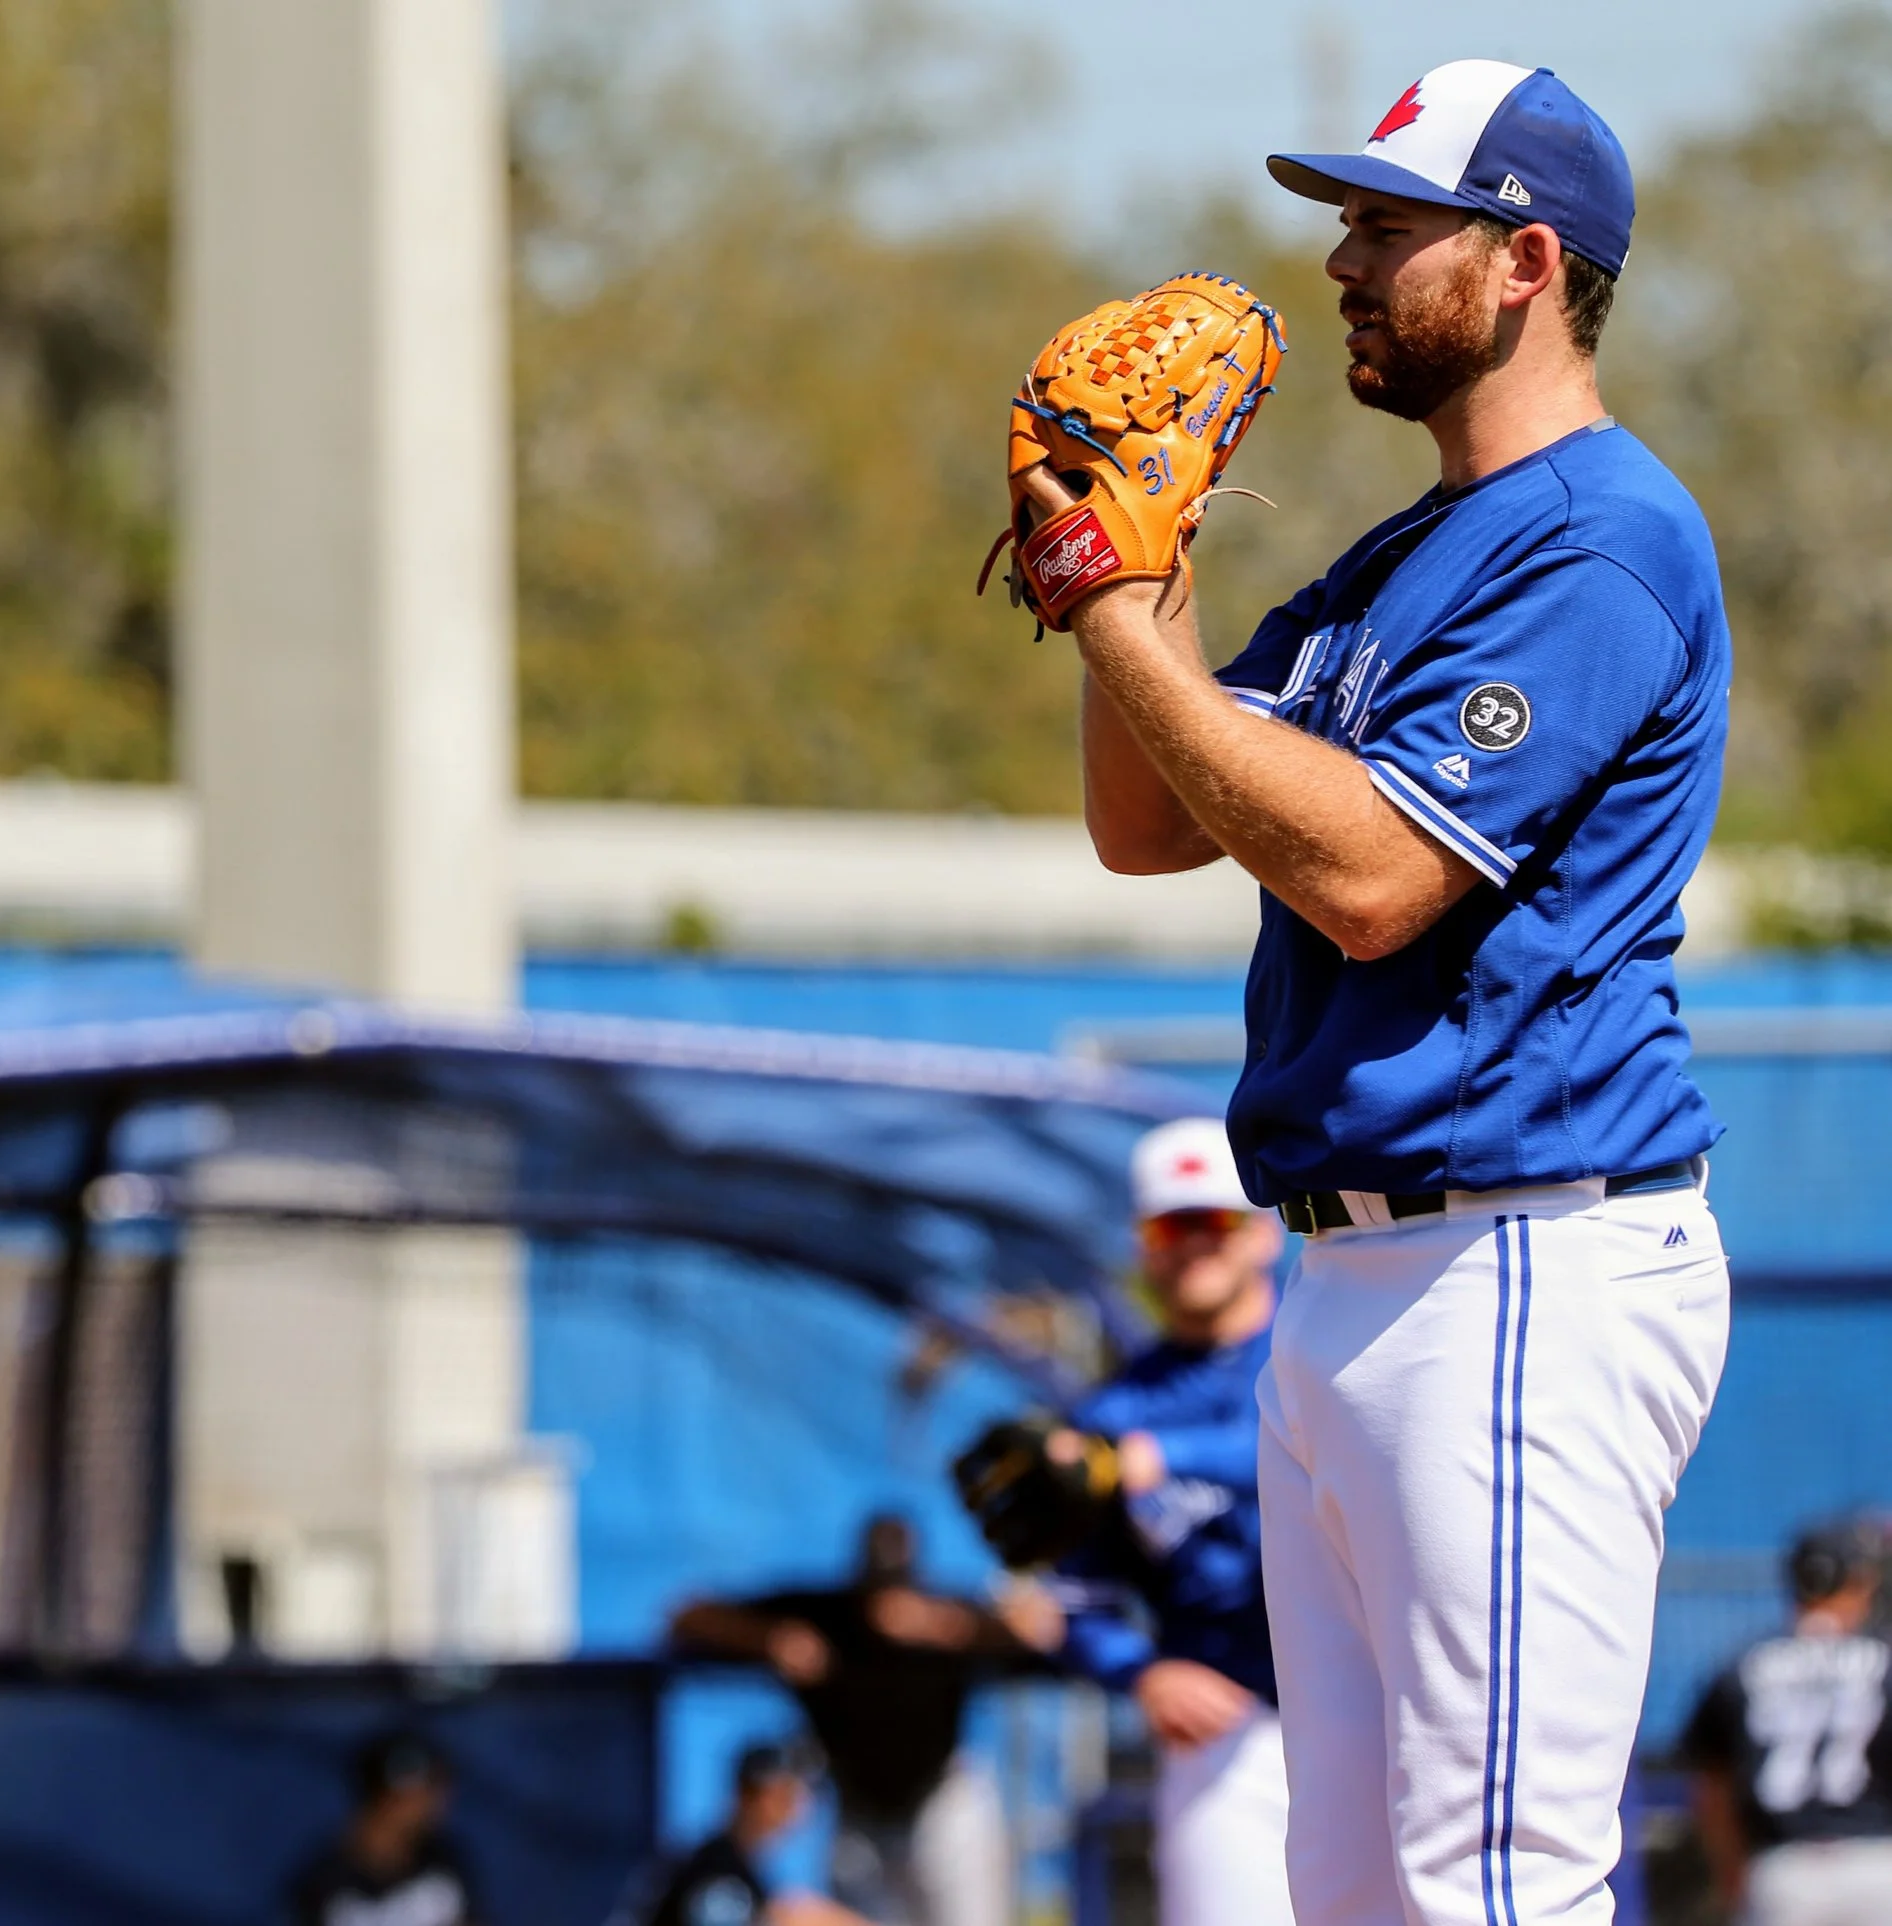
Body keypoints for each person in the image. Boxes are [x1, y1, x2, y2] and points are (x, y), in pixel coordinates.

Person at [1041, 59, 1733, 1925]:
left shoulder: (1599, 538)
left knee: (1488, 1885)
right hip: (1356, 1282)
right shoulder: (1399, 560)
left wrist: (1116, 604)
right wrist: (1143, 561)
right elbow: (1149, 818)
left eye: (1385, 223)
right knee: (1354, 1897)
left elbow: (1365, 880)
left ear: (1522, 262)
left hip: (1516, 1261)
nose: (1339, 257)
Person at [1020, 1118, 1292, 1926]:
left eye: (1216, 1221)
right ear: (1143, 1245)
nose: (1195, 1246)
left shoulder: (1325, 1352)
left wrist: (1161, 1456)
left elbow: (1302, 1451)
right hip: (1230, 1736)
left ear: (1265, 1231)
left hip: (1382, 1714)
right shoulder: (1111, 1412)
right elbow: (1077, 1597)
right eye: (1173, 1226)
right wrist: (1140, 1672)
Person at [669, 1515, 1027, 1926]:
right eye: (877, 1585)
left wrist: (949, 1625)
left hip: (942, 1804)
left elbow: (1036, 1630)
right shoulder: (828, 1618)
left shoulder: (950, 1617)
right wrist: (770, 1639)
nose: (887, 1604)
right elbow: (687, 1614)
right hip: (861, 1815)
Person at [1683, 1525, 1892, 1925]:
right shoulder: (1884, 1659)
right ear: (1858, 1582)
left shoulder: (1742, 1666)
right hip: (1879, 1865)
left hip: (1784, 1873)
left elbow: (1712, 1792)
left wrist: (1733, 1877)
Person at [618, 1743, 870, 1926]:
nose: (796, 1806)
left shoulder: (742, 1869)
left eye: (798, 1794)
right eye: (783, 1795)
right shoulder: (714, 1869)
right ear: (748, 1795)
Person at [289, 1731, 481, 1926]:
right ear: (382, 1797)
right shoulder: (326, 1886)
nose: (435, 1802)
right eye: (421, 1791)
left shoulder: (443, 1862)